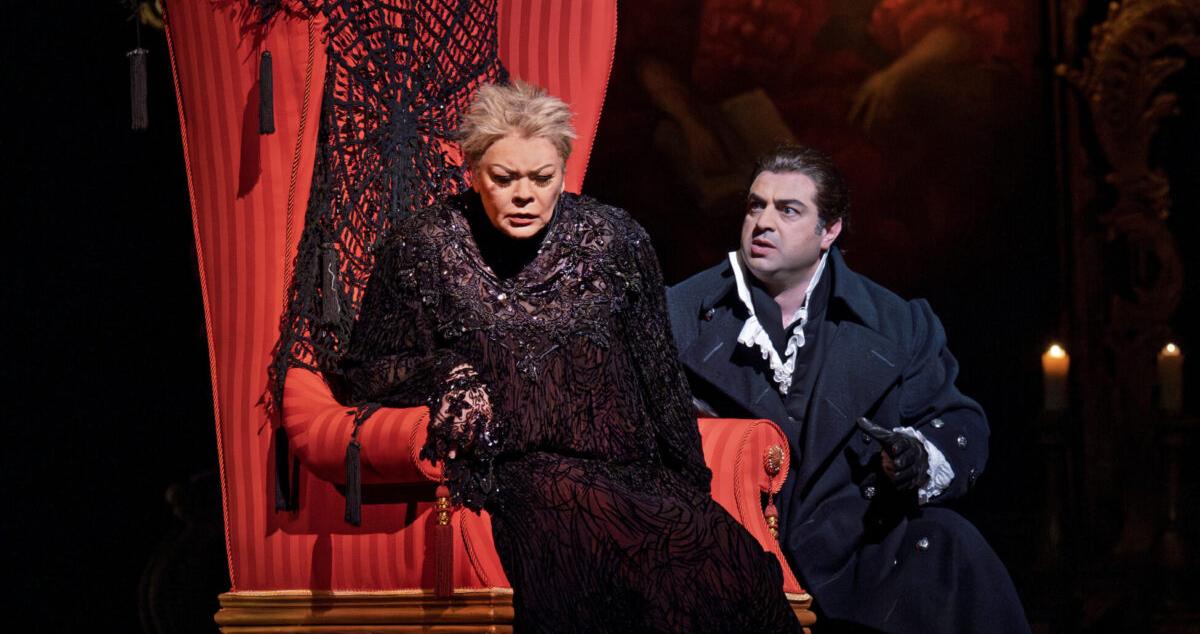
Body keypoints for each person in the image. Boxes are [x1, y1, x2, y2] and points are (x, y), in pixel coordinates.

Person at [337, 80, 801, 633]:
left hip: (630, 469)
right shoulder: (425, 246)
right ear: (473, 171)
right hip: (521, 475)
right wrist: (446, 373)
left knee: (717, 554)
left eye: (542, 177)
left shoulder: (616, 240)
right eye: (504, 178)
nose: (524, 195)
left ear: (563, 170)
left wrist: (691, 489)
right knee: (588, 526)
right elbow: (366, 371)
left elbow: (660, 375)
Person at [666, 144, 1029, 632]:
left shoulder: (896, 322)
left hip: (860, 550)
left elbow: (958, 422)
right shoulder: (680, 314)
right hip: (725, 554)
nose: (763, 223)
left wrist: (917, 455)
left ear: (829, 230)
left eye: (788, 210)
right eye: (755, 206)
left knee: (953, 547)